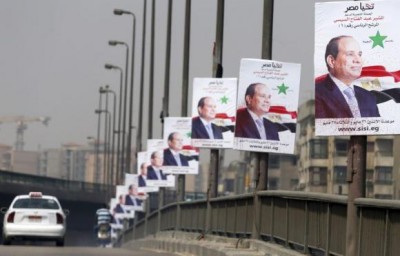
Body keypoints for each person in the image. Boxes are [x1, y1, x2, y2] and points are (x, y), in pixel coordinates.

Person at [315, 35, 380, 118]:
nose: (358, 60)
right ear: (332, 61)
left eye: (359, 54)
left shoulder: (368, 97)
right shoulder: (315, 94)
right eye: (350, 54)